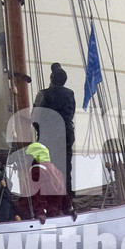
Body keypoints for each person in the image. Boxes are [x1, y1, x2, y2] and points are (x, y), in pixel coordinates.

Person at [35, 61, 77, 198]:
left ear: (51, 78)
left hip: (48, 136)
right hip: (66, 134)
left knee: (45, 166)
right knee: (65, 166)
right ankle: (67, 198)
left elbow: (34, 118)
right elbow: (71, 113)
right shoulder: (70, 94)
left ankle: (48, 198)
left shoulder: (43, 94)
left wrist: (41, 131)